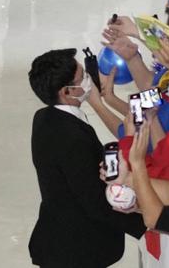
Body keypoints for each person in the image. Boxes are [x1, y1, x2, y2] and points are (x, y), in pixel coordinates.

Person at [27, 49, 142, 268]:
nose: (90, 79)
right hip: (77, 249)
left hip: (58, 237)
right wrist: (148, 224)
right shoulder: (72, 139)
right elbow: (95, 202)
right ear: (67, 92)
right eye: (83, 77)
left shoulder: (45, 117)